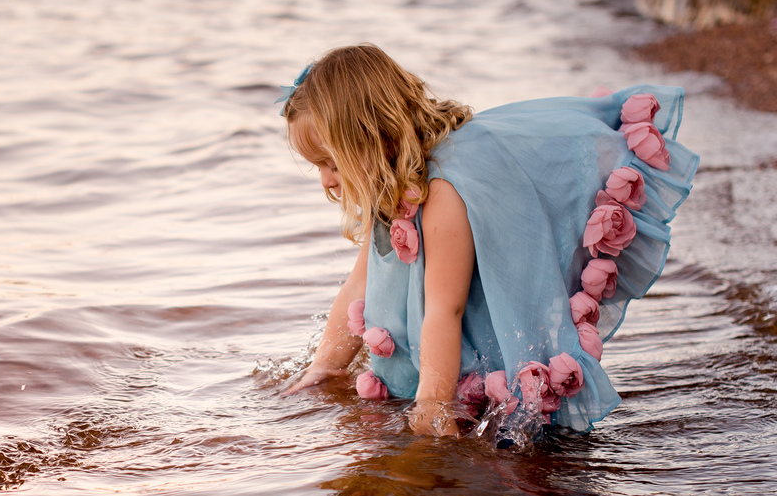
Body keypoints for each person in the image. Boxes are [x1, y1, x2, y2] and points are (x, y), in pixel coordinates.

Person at [278, 44, 698, 437]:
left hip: (467, 350)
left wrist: (431, 406)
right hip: (441, 340)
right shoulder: (390, 180)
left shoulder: (442, 190)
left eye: (330, 163)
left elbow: (446, 308)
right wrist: (324, 368)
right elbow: (359, 283)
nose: (327, 180)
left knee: (490, 452)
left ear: (369, 139)